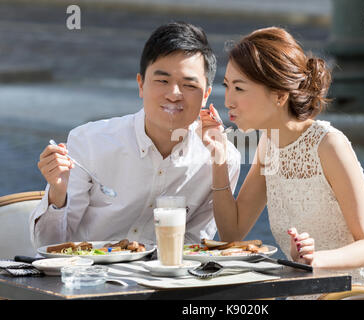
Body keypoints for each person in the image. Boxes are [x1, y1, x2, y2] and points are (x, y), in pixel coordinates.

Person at [200, 27, 364, 298]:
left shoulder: (329, 145)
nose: (228, 100)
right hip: (302, 291)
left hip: (351, 293)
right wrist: (218, 157)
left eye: (239, 88)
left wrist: (315, 259)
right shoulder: (268, 144)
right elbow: (233, 233)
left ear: (279, 94)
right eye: (227, 86)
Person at [29, 22, 241, 249]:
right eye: (162, 81)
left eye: (189, 85)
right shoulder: (88, 142)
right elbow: (47, 246)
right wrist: (57, 194)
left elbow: (195, 245)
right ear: (141, 84)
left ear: (206, 95)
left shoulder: (223, 159)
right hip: (89, 277)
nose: (174, 94)